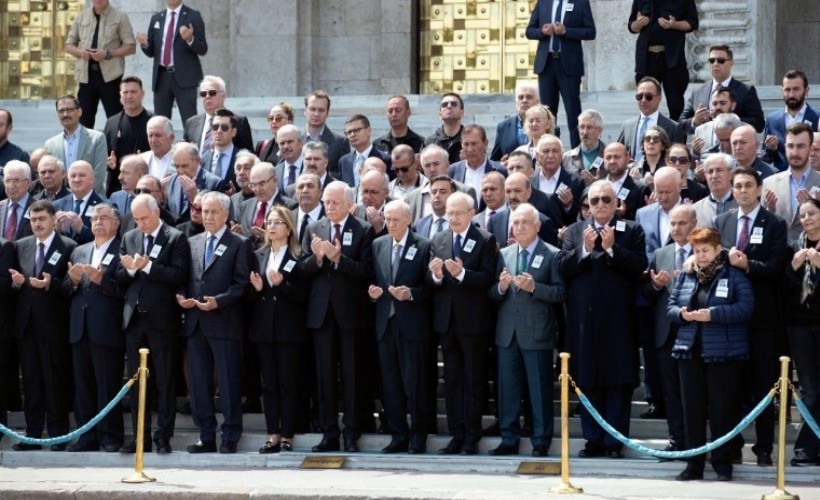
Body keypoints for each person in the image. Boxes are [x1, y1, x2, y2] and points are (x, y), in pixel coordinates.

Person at [556, 180, 647, 458]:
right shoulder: (574, 231)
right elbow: (562, 267)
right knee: (587, 380)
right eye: (594, 201)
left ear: (616, 202)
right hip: (584, 323)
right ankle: (593, 440)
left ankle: (614, 442)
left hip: (618, 322)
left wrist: (611, 250)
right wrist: (583, 250)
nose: (600, 206)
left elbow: (639, 265)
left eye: (606, 200)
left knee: (617, 382)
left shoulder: (631, 229)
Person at [668, 227, 754, 481]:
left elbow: (746, 307)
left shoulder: (734, 275)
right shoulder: (687, 276)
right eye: (697, 251)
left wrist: (713, 315)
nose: (701, 256)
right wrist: (682, 314)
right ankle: (694, 465)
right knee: (691, 412)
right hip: (689, 352)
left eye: (706, 250)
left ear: (718, 250)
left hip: (723, 355)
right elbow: (670, 306)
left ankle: (722, 463)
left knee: (722, 411)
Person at [714, 166, 787, 466]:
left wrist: (747, 266)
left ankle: (764, 448)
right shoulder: (723, 221)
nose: (743, 191)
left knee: (763, 384)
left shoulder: (774, 224)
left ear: (759, 189)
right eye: (738, 186)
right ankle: (731, 446)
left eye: (748, 186)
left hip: (763, 320)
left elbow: (776, 268)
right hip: (731, 318)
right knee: (732, 386)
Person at [300, 181, 375, 453]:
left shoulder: (363, 230)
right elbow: (302, 269)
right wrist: (319, 259)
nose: (329, 207)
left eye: (334, 202)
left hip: (351, 315)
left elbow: (366, 270)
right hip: (321, 315)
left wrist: (338, 259)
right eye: (326, 202)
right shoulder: (313, 228)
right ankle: (329, 431)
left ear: (348, 204)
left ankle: (352, 432)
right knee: (325, 376)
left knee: (353, 376)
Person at [176, 191, 252, 454]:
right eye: (204, 211)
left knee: (229, 383)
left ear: (225, 214)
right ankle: (206, 434)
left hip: (224, 322)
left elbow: (242, 285)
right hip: (196, 322)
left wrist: (218, 301)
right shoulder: (193, 241)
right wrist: (182, 297)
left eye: (213, 212)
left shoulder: (240, 243)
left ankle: (230, 435)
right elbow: (187, 278)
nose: (207, 216)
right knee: (198, 383)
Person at [488, 203, 565, 457]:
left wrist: (536, 288)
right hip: (507, 334)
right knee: (507, 390)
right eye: (516, 223)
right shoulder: (504, 254)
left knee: (539, 391)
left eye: (525, 223)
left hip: (537, 333)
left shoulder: (552, 254)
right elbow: (491, 294)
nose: (519, 227)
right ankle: (509, 439)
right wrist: (500, 287)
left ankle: (540, 440)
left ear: (538, 226)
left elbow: (560, 292)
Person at [117, 193, 190, 454]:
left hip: (162, 320)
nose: (140, 224)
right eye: (136, 219)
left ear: (156, 213)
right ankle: (140, 438)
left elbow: (179, 274)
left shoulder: (175, 237)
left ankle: (163, 437)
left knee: (165, 379)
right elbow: (120, 276)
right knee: (137, 382)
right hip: (134, 319)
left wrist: (148, 267)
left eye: (144, 218)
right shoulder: (130, 237)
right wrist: (130, 270)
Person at [428, 191, 497, 455]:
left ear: (471, 214)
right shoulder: (439, 239)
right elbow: (432, 283)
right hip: (446, 322)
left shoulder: (485, 239)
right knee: (453, 379)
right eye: (449, 212)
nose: (453, 217)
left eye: (458, 213)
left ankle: (471, 436)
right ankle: (456, 434)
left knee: (473, 379)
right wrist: (436, 276)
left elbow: (487, 279)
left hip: (473, 322)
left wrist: (462, 274)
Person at [8, 200, 75, 451]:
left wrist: (50, 284)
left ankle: (58, 435)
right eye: (33, 220)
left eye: (42, 219)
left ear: (53, 219)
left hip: (54, 326)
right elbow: (17, 285)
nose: (37, 224)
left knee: (54, 380)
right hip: (26, 327)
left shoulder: (68, 246)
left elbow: (70, 287)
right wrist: (17, 283)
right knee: (33, 382)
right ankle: (33, 435)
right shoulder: (21, 245)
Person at [368, 200, 432, 454]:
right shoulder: (378, 244)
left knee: (414, 382)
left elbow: (430, 288)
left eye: (395, 220)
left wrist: (412, 294)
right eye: (388, 220)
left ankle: (419, 435)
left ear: (408, 220)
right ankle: (398, 435)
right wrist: (372, 293)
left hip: (412, 325)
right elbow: (374, 279)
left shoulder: (423, 246)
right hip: (386, 323)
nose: (390, 224)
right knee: (390, 383)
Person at [64, 203, 124, 452]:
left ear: (116, 223)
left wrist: (102, 280)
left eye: (104, 218)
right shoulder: (80, 250)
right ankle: (86, 436)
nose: (98, 222)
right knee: (83, 386)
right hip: (80, 327)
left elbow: (125, 290)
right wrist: (74, 282)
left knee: (107, 384)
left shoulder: (123, 249)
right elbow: (66, 289)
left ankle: (110, 436)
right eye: (94, 218)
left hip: (107, 327)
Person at [248, 206, 307, 453]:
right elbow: (251, 294)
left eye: (277, 223)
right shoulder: (258, 255)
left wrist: (281, 285)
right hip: (264, 328)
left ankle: (288, 434)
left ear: (289, 228)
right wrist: (259, 288)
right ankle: (272, 433)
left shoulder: (298, 256)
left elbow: (304, 296)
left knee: (288, 382)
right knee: (269, 383)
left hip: (289, 328)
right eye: (269, 222)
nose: (271, 227)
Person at [641, 204, 697, 455]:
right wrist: (655, 285)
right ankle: (677, 440)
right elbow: (647, 294)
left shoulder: (704, 252)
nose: (676, 229)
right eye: (673, 224)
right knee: (671, 393)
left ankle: (696, 443)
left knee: (694, 392)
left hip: (696, 333)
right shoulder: (661, 254)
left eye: (682, 223)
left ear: (694, 225)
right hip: (666, 333)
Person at [526, 0, 596, 147]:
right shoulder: (543, 3)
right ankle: (548, 149)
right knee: (547, 114)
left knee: (573, 113)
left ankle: (577, 152)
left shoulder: (580, 3)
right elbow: (529, 31)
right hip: (546, 65)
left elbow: (590, 32)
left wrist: (566, 31)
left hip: (569, 66)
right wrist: (542, 32)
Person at [785, 198, 820, 467]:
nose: (807, 218)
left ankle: (809, 447)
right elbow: (782, 289)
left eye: (812, 213)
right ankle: (805, 449)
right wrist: (794, 268)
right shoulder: (794, 247)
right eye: (803, 214)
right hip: (799, 326)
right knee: (810, 387)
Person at [65, 0, 136, 129]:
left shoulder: (120, 17)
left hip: (110, 77)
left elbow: (130, 47)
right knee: (83, 119)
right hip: (86, 77)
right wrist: (81, 53)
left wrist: (108, 54)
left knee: (116, 119)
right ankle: (85, 149)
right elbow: (69, 45)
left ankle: (116, 148)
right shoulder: (81, 17)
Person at [136, 0, 207, 123]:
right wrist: (145, 43)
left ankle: (191, 143)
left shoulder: (193, 16)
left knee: (190, 121)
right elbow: (151, 52)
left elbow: (203, 49)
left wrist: (190, 39)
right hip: (161, 78)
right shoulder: (156, 18)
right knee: (160, 122)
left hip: (185, 78)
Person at [627, 0, 698, 120]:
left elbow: (693, 23)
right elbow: (632, 26)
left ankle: (677, 137)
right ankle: (649, 137)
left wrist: (673, 25)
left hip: (672, 59)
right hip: (646, 59)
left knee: (676, 106)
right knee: (647, 102)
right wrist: (638, 24)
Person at [678, 44, 765, 134]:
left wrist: (729, 119)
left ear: (731, 63)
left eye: (720, 60)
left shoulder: (746, 90)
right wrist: (695, 121)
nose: (715, 64)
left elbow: (759, 123)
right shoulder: (697, 92)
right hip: (706, 145)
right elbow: (681, 124)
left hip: (734, 145)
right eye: (712, 61)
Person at [762, 123, 820, 240]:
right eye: (790, 146)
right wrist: (770, 210)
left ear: (810, 148)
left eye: (800, 146)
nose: (794, 152)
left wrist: (816, 206)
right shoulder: (769, 183)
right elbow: (762, 224)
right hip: (779, 252)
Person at [43, 95, 108, 195]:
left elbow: (99, 175)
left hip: (93, 201)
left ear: (79, 112)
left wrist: (79, 196)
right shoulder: (50, 144)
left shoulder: (97, 138)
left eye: (69, 110)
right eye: (61, 111)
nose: (65, 114)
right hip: (61, 202)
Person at [102, 76, 152, 196]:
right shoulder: (111, 123)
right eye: (125, 92)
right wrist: (109, 163)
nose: (129, 96)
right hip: (116, 186)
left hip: (144, 188)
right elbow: (104, 154)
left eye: (133, 92)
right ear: (120, 95)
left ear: (142, 94)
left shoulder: (153, 122)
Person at [617, 77, 684, 164]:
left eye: (648, 96)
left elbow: (678, 158)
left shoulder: (674, 127)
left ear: (659, 98)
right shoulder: (627, 125)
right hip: (631, 174)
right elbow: (618, 152)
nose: (644, 100)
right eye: (639, 96)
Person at [762, 70, 819, 171]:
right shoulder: (772, 120)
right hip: (781, 179)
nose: (791, 94)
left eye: (796, 89)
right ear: (781, 91)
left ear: (806, 90)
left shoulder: (817, 118)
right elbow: (766, 158)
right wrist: (771, 149)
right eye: (787, 90)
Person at [183, 76, 253, 155]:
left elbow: (248, 155)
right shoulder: (191, 123)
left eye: (212, 93)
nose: (207, 96)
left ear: (223, 96)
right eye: (203, 94)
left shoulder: (239, 121)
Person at [530, 134, 585, 227]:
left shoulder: (575, 181)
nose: (551, 156)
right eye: (546, 151)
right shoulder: (529, 180)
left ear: (561, 155)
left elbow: (581, 216)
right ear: (537, 156)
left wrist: (569, 206)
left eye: (555, 151)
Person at [234, 162, 296, 243]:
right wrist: (238, 235)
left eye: (262, 184)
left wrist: (268, 238)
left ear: (275, 181)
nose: (257, 189)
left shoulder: (289, 206)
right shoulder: (245, 206)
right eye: (253, 185)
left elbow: (293, 240)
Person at [53, 161, 108, 245]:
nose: (77, 179)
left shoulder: (105, 206)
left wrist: (82, 229)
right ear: (68, 180)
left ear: (92, 179)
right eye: (73, 176)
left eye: (82, 175)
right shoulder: (56, 205)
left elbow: (107, 240)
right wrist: (57, 231)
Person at [164, 142, 221, 222]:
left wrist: (194, 197)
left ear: (197, 160)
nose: (180, 171)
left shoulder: (214, 183)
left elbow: (216, 218)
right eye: (176, 166)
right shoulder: (172, 180)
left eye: (184, 166)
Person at [448, 124, 507, 196]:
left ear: (485, 144)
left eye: (474, 144)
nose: (470, 149)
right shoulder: (453, 171)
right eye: (466, 144)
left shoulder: (500, 171)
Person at [302, 90, 348, 178]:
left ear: (327, 112)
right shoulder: (294, 139)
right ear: (305, 110)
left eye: (321, 110)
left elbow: (343, 175)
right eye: (312, 109)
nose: (316, 114)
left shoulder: (340, 142)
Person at [491, 82, 540, 162]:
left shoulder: (549, 127)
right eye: (521, 97)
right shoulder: (503, 127)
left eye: (529, 97)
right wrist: (501, 164)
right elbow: (494, 160)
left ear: (538, 102)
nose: (524, 100)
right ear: (516, 103)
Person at [339, 115, 391, 189]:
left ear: (369, 131)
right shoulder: (344, 162)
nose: (352, 135)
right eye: (349, 132)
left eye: (357, 130)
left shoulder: (384, 159)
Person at [692, 153, 737, 228]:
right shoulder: (696, 209)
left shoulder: (743, 205)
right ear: (706, 176)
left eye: (719, 170)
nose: (714, 176)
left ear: (731, 175)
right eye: (710, 171)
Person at [562, 109, 606, 183]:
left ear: (600, 130)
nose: (585, 132)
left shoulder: (610, 156)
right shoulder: (566, 158)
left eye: (589, 127)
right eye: (582, 127)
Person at [425, 93, 465, 164]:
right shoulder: (430, 142)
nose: (449, 106)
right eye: (444, 105)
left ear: (462, 113)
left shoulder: (470, 141)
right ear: (439, 115)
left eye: (454, 104)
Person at [1, 160, 34, 241]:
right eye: (7, 181)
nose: (11, 186)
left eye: (16, 180)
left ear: (28, 183)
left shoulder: (38, 208)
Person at [292, 172, 325, 243]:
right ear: (295, 193)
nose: (305, 190)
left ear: (320, 192)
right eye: (301, 187)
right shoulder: (288, 218)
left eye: (310, 186)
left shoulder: (329, 217)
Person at [141, 115, 176, 180]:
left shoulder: (182, 158)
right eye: (150, 136)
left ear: (171, 138)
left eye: (158, 135)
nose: (153, 140)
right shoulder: (142, 160)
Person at [273, 124, 305, 194]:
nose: (286, 146)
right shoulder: (274, 172)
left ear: (301, 143)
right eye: (282, 143)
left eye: (290, 142)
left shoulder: (310, 167)